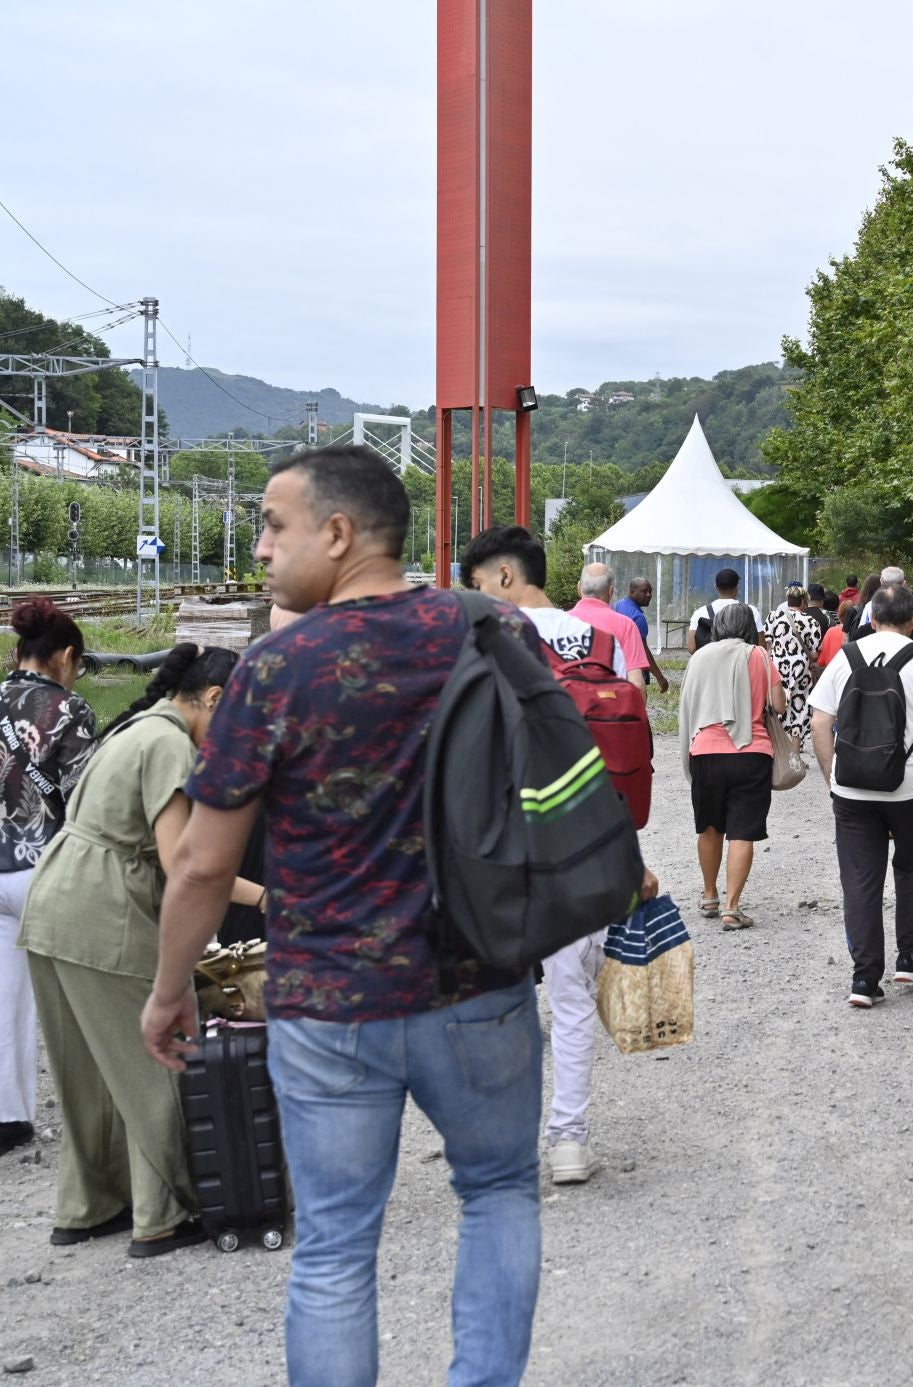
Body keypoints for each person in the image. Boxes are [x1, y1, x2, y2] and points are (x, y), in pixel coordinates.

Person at [142, 444, 563, 1384]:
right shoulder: (494, 630)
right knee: (499, 1192)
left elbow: (204, 863)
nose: (260, 547)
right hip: (478, 984)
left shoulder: (277, 666)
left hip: (329, 1005)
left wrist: (170, 991)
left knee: (334, 1245)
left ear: (337, 533)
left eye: (272, 525)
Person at [23, 644, 263, 1256]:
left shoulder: (135, 726)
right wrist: (266, 897)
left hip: (54, 902)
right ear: (214, 699)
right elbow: (185, 862)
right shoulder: (168, 744)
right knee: (154, 1060)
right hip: (103, 909)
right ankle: (161, 1216)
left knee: (89, 1078)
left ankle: (89, 1207)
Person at [461, 526, 620, 1188]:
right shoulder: (602, 640)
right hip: (580, 845)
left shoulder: (483, 641)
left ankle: (496, 1141)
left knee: (493, 1000)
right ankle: (568, 1143)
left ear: (504, 576)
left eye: (476, 585)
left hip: (501, 847)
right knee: (572, 999)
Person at [809, 581, 913, 1008]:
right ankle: (910, 956)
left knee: (860, 879)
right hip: (910, 787)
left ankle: (864, 978)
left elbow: (820, 723)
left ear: (871, 619)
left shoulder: (846, 657)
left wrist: (832, 776)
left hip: (851, 787)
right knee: (912, 866)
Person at [0, 598, 94, 1157]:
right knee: (78, 998)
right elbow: (86, 801)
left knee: (5, 1002)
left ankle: (8, 1119)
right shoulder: (69, 709)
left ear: (18, 653)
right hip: (46, 870)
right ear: (65, 656)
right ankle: (95, 1113)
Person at [680, 602, 782, 930]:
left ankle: (709, 895)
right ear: (750, 626)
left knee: (709, 827)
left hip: (705, 752)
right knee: (742, 831)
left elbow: (688, 703)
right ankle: (732, 908)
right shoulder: (760, 656)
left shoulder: (700, 658)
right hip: (752, 753)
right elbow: (779, 705)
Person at [574, 562, 651, 693]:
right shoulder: (627, 625)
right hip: (610, 701)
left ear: (579, 588)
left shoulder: (557, 624)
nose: (648, 595)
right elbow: (636, 683)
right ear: (610, 591)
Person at [766, 583, 823, 751]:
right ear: (804, 601)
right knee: (799, 709)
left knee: (776, 707)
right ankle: (795, 755)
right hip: (801, 672)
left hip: (776, 669)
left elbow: (768, 644)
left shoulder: (773, 617)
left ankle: (777, 751)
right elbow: (815, 653)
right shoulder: (811, 621)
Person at [614, 577, 671, 695]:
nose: (649, 595)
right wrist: (660, 677)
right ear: (632, 592)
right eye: (644, 591)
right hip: (632, 670)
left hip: (615, 666)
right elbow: (643, 650)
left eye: (650, 591)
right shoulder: (637, 617)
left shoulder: (618, 605)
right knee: (638, 700)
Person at [686, 568, 765, 651]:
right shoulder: (751, 611)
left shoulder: (700, 612)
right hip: (742, 658)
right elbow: (762, 648)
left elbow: (692, 648)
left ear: (716, 587)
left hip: (711, 658)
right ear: (737, 587)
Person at [817, 600, 856, 670]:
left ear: (839, 615)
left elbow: (821, 662)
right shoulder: (859, 632)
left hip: (833, 672)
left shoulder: (831, 631)